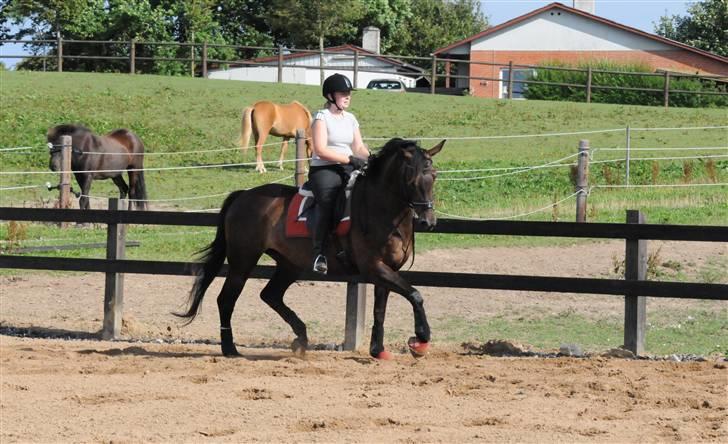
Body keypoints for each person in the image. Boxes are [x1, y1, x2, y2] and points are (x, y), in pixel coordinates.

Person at [309, 73, 369, 274]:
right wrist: (351, 159)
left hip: (348, 167)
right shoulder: (321, 117)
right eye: (343, 93)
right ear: (330, 95)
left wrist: (372, 158)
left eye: (349, 93)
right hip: (324, 169)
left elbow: (358, 146)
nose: (348, 96)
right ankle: (319, 253)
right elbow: (320, 150)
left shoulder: (351, 118)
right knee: (328, 201)